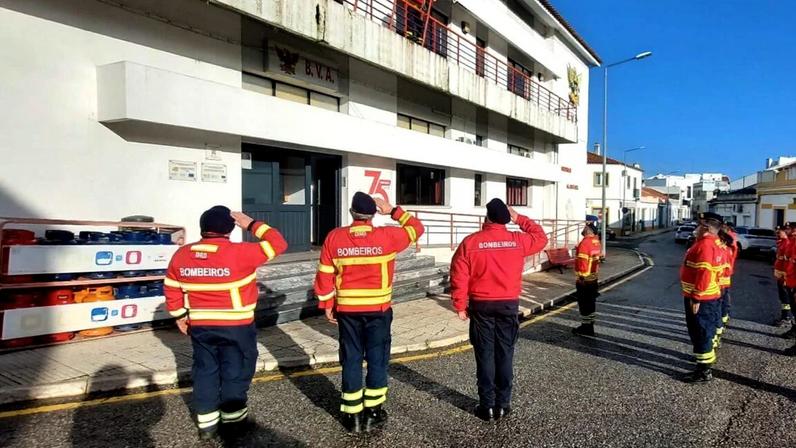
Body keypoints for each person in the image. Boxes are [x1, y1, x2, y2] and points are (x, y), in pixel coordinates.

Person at [164, 206, 287, 440]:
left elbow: (171, 287)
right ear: (230, 229)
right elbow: (278, 243)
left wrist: (179, 315)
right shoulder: (241, 252)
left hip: (200, 325)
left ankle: (207, 426)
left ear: (203, 228)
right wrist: (251, 224)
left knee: (205, 371)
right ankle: (233, 423)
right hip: (236, 326)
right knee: (236, 371)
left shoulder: (182, 254)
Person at [314, 192, 424, 433]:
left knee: (351, 359)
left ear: (352, 213)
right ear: (373, 214)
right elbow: (417, 227)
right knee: (377, 359)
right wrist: (393, 210)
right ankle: (373, 412)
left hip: (348, 311)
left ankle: (352, 415)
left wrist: (327, 304)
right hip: (379, 311)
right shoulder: (388, 236)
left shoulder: (334, 237)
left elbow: (324, 275)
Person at [449, 198, 548, 421]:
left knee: (484, 355)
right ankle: (503, 404)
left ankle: (487, 406)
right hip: (507, 305)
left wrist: (459, 305)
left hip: (481, 306)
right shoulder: (517, 240)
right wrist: (519, 218)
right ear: (505, 218)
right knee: (505, 354)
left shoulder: (471, 242)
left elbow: (458, 275)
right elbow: (541, 238)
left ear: (487, 217)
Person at [679, 212, 727, 383]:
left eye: (699, 225)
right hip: (708, 295)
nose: (696, 228)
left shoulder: (706, 245)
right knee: (705, 330)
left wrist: (697, 297)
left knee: (700, 332)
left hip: (701, 298)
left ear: (706, 227)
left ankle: (703, 371)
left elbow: (705, 272)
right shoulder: (714, 243)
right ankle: (704, 362)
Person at [572, 222, 602, 336]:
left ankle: (585, 328)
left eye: (585, 227)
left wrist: (581, 277)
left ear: (589, 230)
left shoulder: (585, 243)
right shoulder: (596, 242)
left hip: (584, 280)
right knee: (591, 304)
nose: (583, 229)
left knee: (584, 304)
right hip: (593, 278)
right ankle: (590, 326)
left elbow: (583, 262)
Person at [715, 222, 738, 347]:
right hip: (725, 275)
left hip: (722, 276)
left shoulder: (726, 247)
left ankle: (720, 322)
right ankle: (723, 318)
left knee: (720, 300)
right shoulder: (730, 244)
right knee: (724, 298)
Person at [773, 225, 793, 327]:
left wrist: (786, 276)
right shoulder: (781, 242)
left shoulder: (788, 243)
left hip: (784, 275)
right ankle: (784, 316)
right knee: (782, 296)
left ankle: (786, 317)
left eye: (779, 231)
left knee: (785, 297)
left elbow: (788, 261)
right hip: (780, 275)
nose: (777, 232)